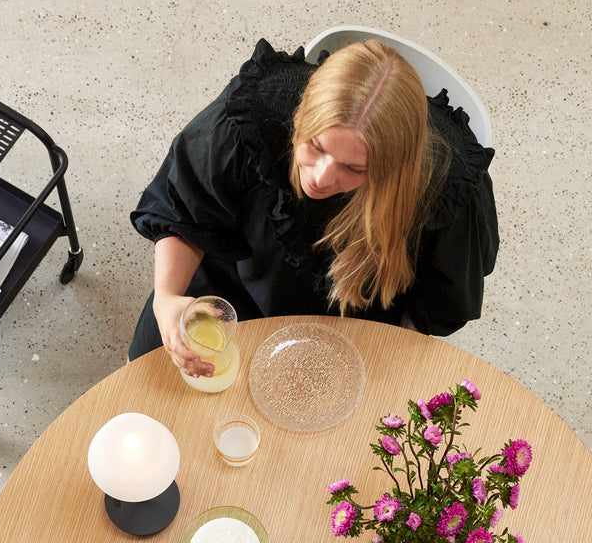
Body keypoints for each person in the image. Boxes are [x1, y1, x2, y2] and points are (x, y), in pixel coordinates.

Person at [128, 38, 498, 377]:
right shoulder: (254, 115)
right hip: (230, 281)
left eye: (354, 168)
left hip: (349, 323)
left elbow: (435, 306)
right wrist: (168, 298)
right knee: (143, 377)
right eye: (315, 146)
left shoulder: (446, 187)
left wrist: (380, 367)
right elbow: (186, 206)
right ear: (300, 114)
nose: (321, 178)